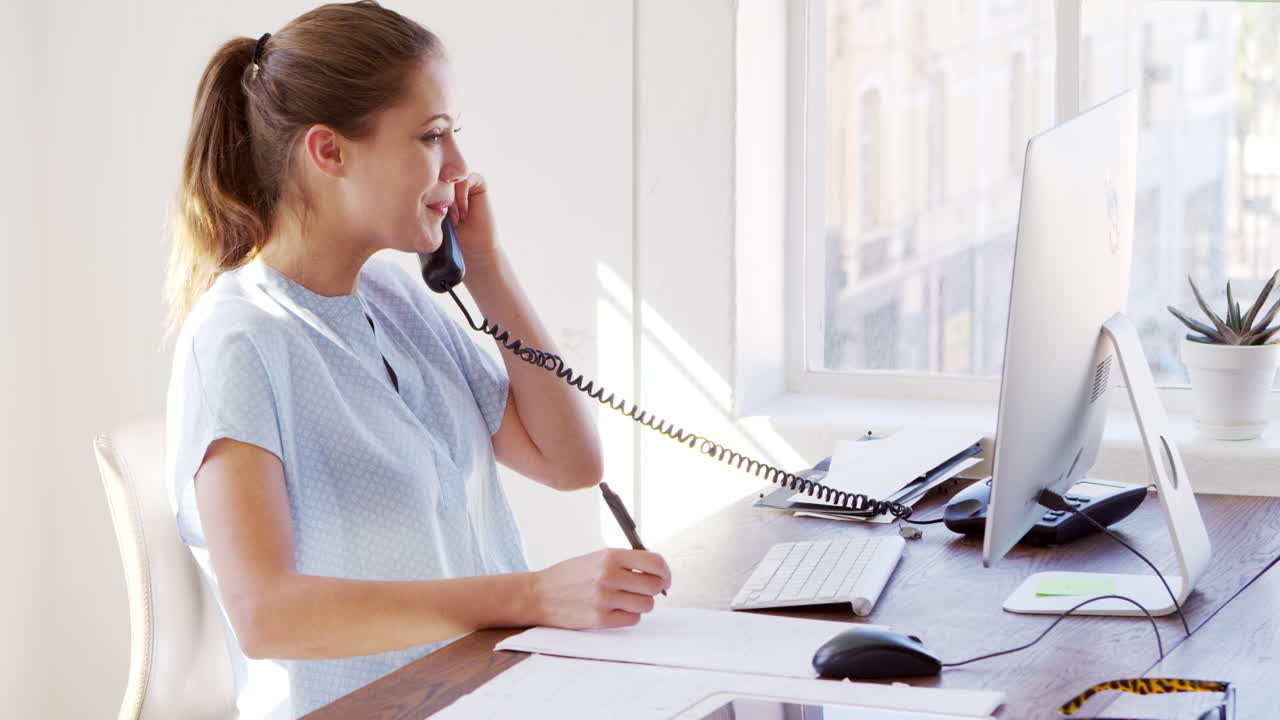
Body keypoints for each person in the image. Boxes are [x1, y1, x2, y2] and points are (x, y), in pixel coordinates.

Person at [164, 2, 671, 717]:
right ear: (329, 152)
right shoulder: (239, 340)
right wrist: (529, 596)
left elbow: (571, 463)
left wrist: (487, 267)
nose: (458, 167)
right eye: (433, 136)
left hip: (482, 695)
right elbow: (266, 615)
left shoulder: (395, 300)